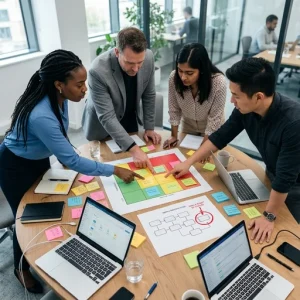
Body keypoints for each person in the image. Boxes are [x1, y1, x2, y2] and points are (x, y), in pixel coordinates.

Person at [0, 50, 143, 293]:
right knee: (25, 216)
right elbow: (73, 160)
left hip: (37, 158)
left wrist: (65, 152)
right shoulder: (41, 114)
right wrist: (114, 170)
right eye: (79, 84)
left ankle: (49, 250)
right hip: (15, 166)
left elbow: (60, 136)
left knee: (50, 205)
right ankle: (21, 269)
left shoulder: (59, 99)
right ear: (59, 85)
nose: (84, 89)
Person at [167, 57, 300, 244]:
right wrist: (188, 163)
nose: (232, 101)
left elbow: (286, 178)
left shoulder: (293, 123)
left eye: (236, 95)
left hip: (294, 188)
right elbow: (220, 136)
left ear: (258, 97)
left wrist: (269, 216)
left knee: (286, 235)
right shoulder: (246, 110)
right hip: (273, 177)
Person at [82, 27, 161, 172]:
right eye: (130, 63)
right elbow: (107, 117)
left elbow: (149, 94)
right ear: (117, 52)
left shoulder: (148, 57)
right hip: (102, 127)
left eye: (140, 63)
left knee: (131, 167)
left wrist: (149, 128)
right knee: (108, 166)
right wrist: (135, 150)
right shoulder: (97, 70)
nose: (136, 68)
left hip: (129, 116)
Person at [163, 43, 226, 153]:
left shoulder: (218, 82)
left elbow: (214, 119)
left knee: (207, 158)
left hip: (212, 128)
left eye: (189, 73)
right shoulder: (174, 78)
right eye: (180, 70)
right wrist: (173, 136)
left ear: (201, 69)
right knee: (184, 156)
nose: (183, 77)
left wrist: (205, 145)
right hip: (188, 125)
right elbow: (174, 109)